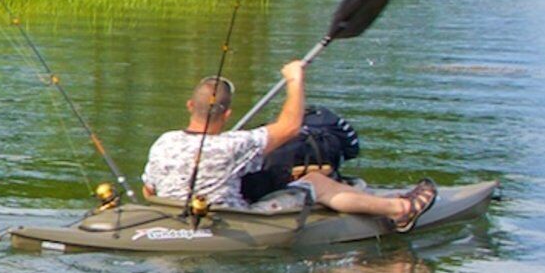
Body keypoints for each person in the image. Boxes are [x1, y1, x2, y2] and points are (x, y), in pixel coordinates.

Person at [139, 57, 435, 226]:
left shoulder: (163, 142)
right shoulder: (234, 145)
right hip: (230, 222)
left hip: (171, 216)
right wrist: (295, 79)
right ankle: (399, 210)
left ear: (191, 106)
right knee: (316, 181)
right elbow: (291, 127)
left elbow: (148, 189)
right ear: (227, 114)